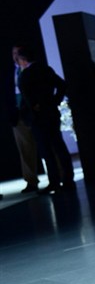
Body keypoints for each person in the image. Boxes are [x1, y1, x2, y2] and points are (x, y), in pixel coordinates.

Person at [15, 46, 75, 193]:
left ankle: (54, 182)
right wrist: (54, 101)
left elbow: (27, 99)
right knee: (59, 146)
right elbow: (62, 85)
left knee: (46, 151)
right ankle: (68, 179)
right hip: (51, 113)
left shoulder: (25, 75)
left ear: (23, 60)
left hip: (37, 118)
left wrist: (33, 108)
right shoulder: (45, 69)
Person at [11, 45, 40, 193]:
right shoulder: (11, 72)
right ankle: (31, 181)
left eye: (18, 53)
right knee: (25, 150)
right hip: (19, 115)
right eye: (14, 53)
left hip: (34, 113)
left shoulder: (33, 70)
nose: (16, 56)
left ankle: (60, 176)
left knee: (47, 145)